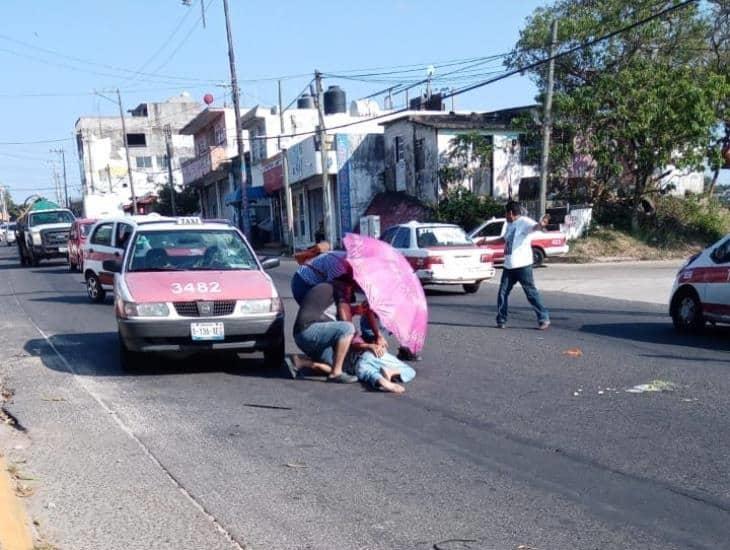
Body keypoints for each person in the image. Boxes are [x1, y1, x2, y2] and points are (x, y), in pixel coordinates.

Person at [496, 201, 551, 330]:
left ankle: (543, 318)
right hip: (509, 266)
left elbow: (535, 227)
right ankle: (501, 319)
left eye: (505, 213)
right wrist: (486, 241)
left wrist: (541, 224)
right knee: (502, 293)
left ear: (510, 213)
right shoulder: (509, 224)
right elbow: (504, 240)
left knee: (530, 293)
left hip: (522, 266)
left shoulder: (524, 222)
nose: (505, 216)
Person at [292, 282, 358, 383]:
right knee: (348, 328)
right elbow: (344, 320)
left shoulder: (327, 289)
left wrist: (357, 310)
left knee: (338, 363)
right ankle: (336, 373)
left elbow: (331, 315)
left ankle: (301, 362)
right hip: (309, 331)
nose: (349, 298)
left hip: (302, 335)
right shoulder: (339, 291)